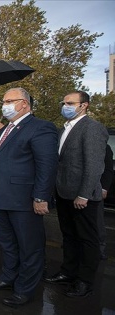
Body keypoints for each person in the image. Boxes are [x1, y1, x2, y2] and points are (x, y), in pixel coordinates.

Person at [0, 87, 58, 308]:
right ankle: (7, 278)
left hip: (24, 200)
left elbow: (47, 165)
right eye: (4, 101)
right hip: (2, 198)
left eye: (9, 100)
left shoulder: (41, 128)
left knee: (29, 247)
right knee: (7, 243)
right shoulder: (7, 129)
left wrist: (41, 196)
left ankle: (24, 290)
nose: (4, 105)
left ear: (24, 103)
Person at [44, 91, 108, 298]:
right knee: (69, 236)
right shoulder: (64, 129)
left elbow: (94, 166)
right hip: (64, 193)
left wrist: (84, 194)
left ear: (84, 105)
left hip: (82, 197)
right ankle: (68, 272)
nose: (66, 106)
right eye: (64, 102)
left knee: (87, 240)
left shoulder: (92, 128)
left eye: (71, 103)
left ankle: (85, 281)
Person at [99, 144, 113, 260]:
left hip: (95, 190)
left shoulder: (104, 147)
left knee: (97, 222)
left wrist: (104, 188)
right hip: (76, 190)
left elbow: (108, 169)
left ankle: (100, 249)